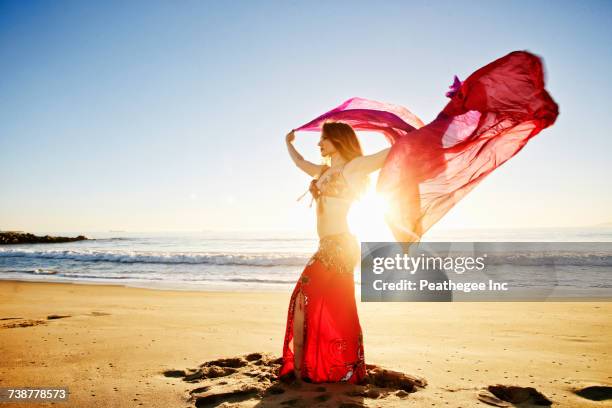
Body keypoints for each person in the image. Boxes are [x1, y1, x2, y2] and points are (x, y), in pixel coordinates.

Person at [279, 120, 390, 384]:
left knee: (303, 297)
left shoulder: (354, 168)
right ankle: (321, 367)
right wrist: (288, 143)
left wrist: (406, 139)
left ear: (338, 140)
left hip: (338, 246)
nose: (319, 144)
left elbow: (386, 156)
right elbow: (299, 162)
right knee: (333, 306)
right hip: (327, 245)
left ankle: (300, 370)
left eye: (324, 139)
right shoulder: (322, 171)